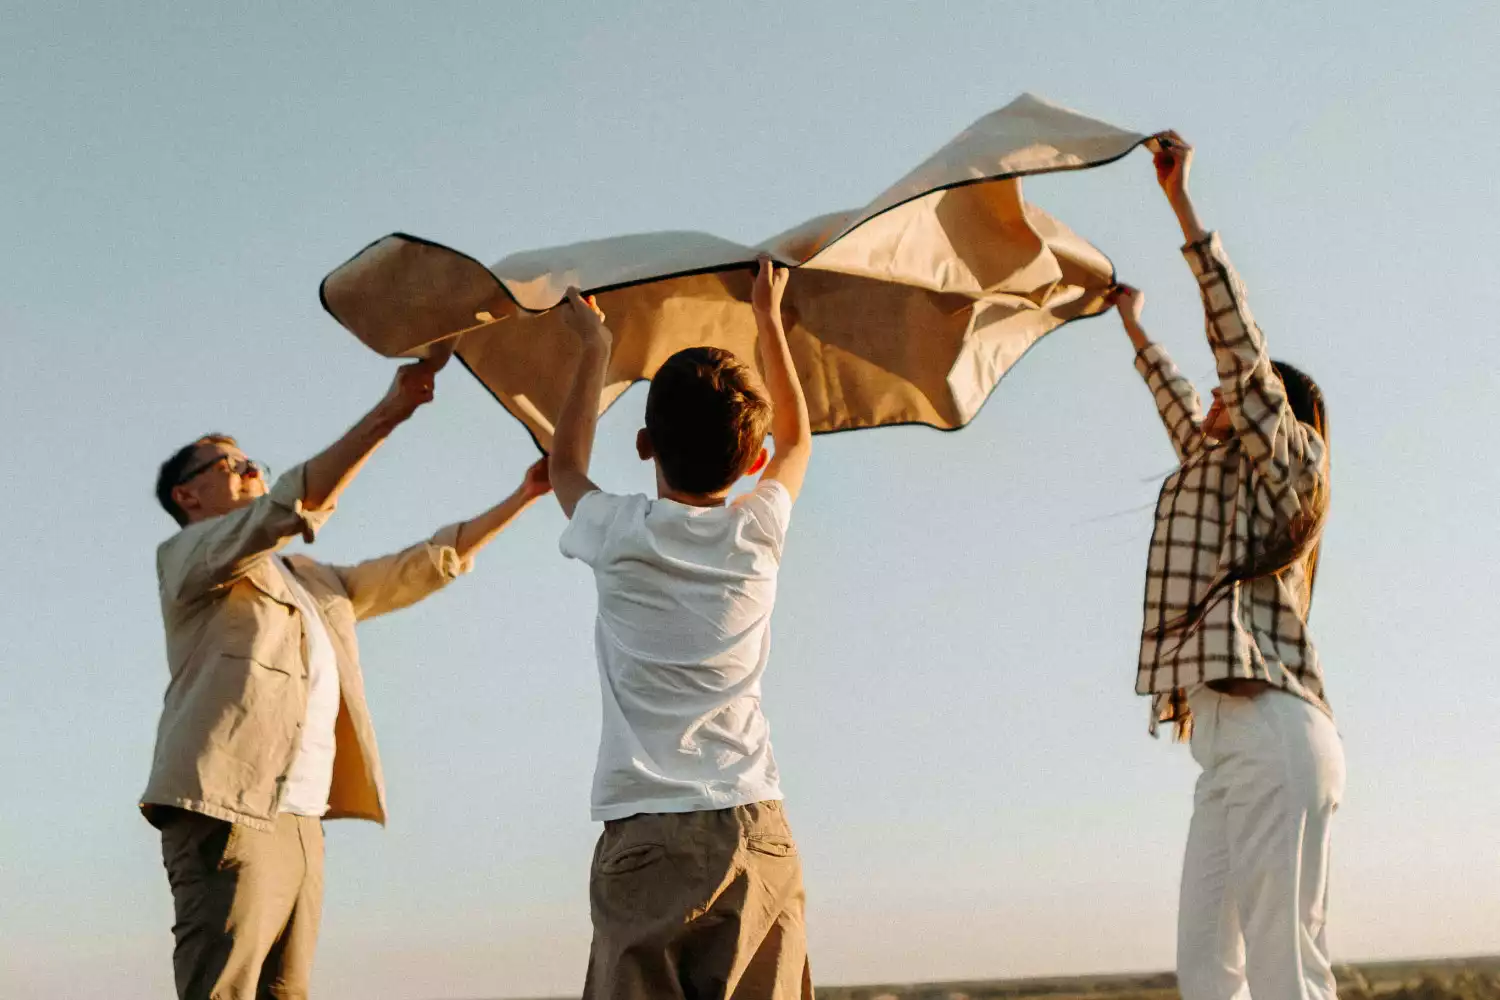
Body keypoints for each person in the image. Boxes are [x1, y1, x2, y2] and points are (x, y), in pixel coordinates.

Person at [142, 360, 552, 1000]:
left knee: (288, 992)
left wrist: (523, 497)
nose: (252, 469)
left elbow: (417, 567)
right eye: (232, 464)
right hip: (229, 809)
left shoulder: (309, 579)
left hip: (304, 820)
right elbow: (286, 508)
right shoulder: (189, 560)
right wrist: (390, 413)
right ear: (187, 496)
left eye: (254, 461)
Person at [1108, 131, 1345, 1000]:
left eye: (1232, 398)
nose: (1212, 400)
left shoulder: (1290, 469)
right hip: (1226, 746)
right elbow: (1177, 398)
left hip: (1274, 735)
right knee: (1210, 974)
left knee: (1288, 979)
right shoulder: (1218, 476)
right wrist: (1131, 323)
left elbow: (1238, 353)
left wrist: (1182, 206)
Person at [549, 257, 815, 999]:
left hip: (647, 836)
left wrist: (594, 351)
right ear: (751, 460)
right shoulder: (756, 534)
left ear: (644, 445)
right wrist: (768, 319)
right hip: (753, 823)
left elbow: (564, 463)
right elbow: (798, 442)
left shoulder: (616, 530)